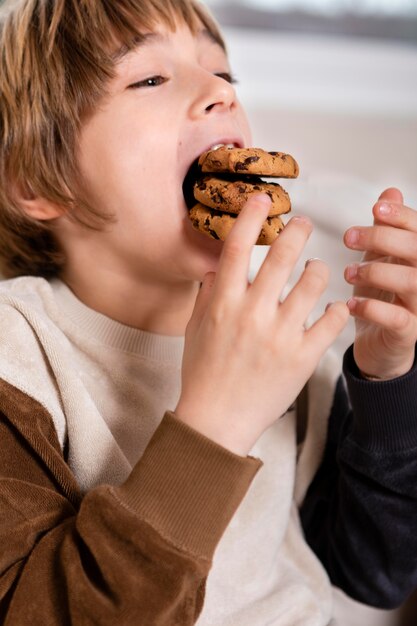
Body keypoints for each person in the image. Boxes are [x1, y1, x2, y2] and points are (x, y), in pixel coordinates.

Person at [0, 0, 416, 624]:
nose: (218, 90)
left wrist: (386, 384)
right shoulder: (19, 359)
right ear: (41, 181)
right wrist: (216, 422)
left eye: (225, 73)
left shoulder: (287, 343)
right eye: (150, 78)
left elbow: (373, 572)